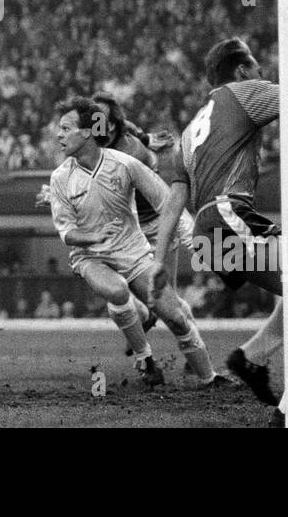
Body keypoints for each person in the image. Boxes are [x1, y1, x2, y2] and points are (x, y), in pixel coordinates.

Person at [154, 37, 288, 425]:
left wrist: (159, 259)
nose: (264, 76)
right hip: (231, 218)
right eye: (258, 68)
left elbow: (175, 197)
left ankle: (252, 358)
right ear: (242, 71)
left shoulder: (192, 128)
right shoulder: (246, 92)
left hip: (207, 236)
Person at [46, 96, 220, 388]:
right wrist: (90, 237)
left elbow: (168, 203)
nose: (58, 135)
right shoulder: (60, 178)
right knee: (116, 290)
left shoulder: (126, 163)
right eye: (58, 129)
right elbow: (66, 232)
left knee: (176, 317)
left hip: (134, 253)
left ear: (87, 132)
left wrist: (196, 243)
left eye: (65, 128)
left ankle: (210, 378)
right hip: (90, 257)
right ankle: (146, 359)